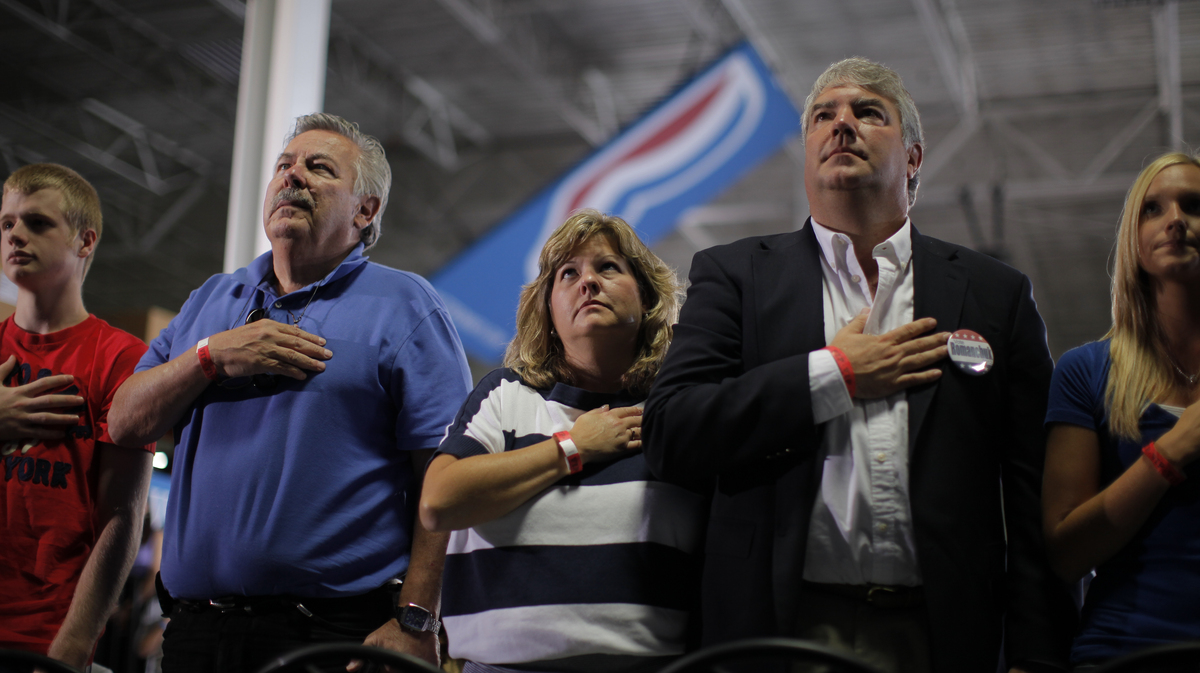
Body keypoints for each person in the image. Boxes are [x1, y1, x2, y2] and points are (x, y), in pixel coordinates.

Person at [643, 57, 1076, 673]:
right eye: (823, 116)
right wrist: (835, 375)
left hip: (947, 635)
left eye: (868, 112)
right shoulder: (735, 275)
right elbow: (672, 431)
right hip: (777, 631)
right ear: (807, 153)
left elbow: (1035, 494)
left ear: (914, 158)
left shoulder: (994, 293)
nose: (841, 123)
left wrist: (1038, 654)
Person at [107, 113, 472, 672]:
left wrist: (417, 618)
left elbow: (448, 478)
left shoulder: (405, 305)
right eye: (284, 165)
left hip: (331, 636)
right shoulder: (212, 299)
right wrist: (211, 357)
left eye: (318, 167)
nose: (292, 176)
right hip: (196, 633)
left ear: (365, 210)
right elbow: (124, 420)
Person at [420, 209, 705, 673]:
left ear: (648, 298)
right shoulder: (505, 395)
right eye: (568, 273)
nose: (587, 282)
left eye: (608, 267)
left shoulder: (680, 408)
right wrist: (573, 447)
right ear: (548, 311)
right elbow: (439, 503)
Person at [1043, 152, 1200, 668]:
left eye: (1193, 206)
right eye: (1153, 209)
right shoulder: (1085, 371)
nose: (1175, 220)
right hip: (1123, 653)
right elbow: (1065, 554)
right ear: (1134, 239)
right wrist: (1169, 452)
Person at [0, 163, 154, 667]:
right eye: (6, 223)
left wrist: (73, 644)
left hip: (45, 635)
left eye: (37, 223)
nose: (15, 235)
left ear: (85, 241)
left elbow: (122, 517)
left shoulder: (120, 358)